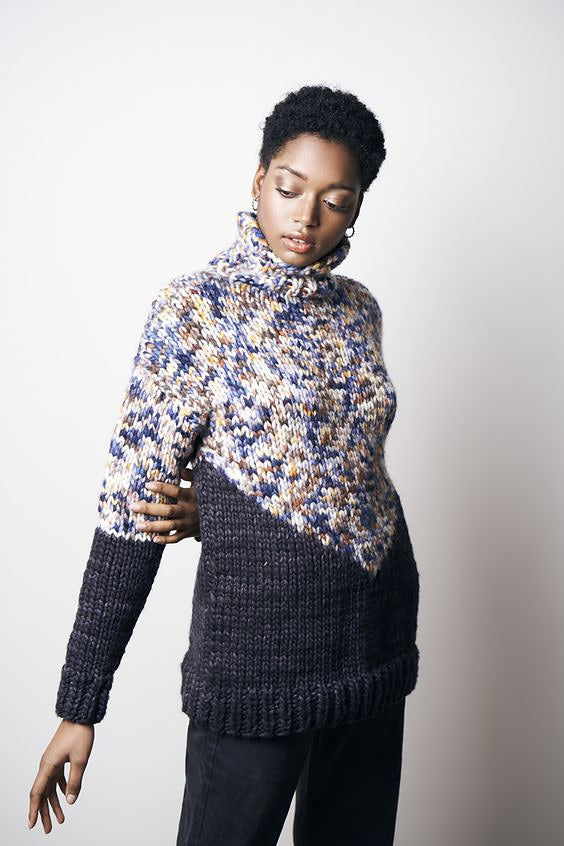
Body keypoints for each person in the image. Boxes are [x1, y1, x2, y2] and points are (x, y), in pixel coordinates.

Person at [28, 84, 421, 845]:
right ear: (258, 179)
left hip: (375, 644)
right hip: (256, 664)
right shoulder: (195, 310)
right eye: (290, 189)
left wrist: (218, 510)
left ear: (357, 209)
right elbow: (131, 511)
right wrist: (80, 704)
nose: (306, 217)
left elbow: (339, 475)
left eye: (336, 200)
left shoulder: (359, 309)